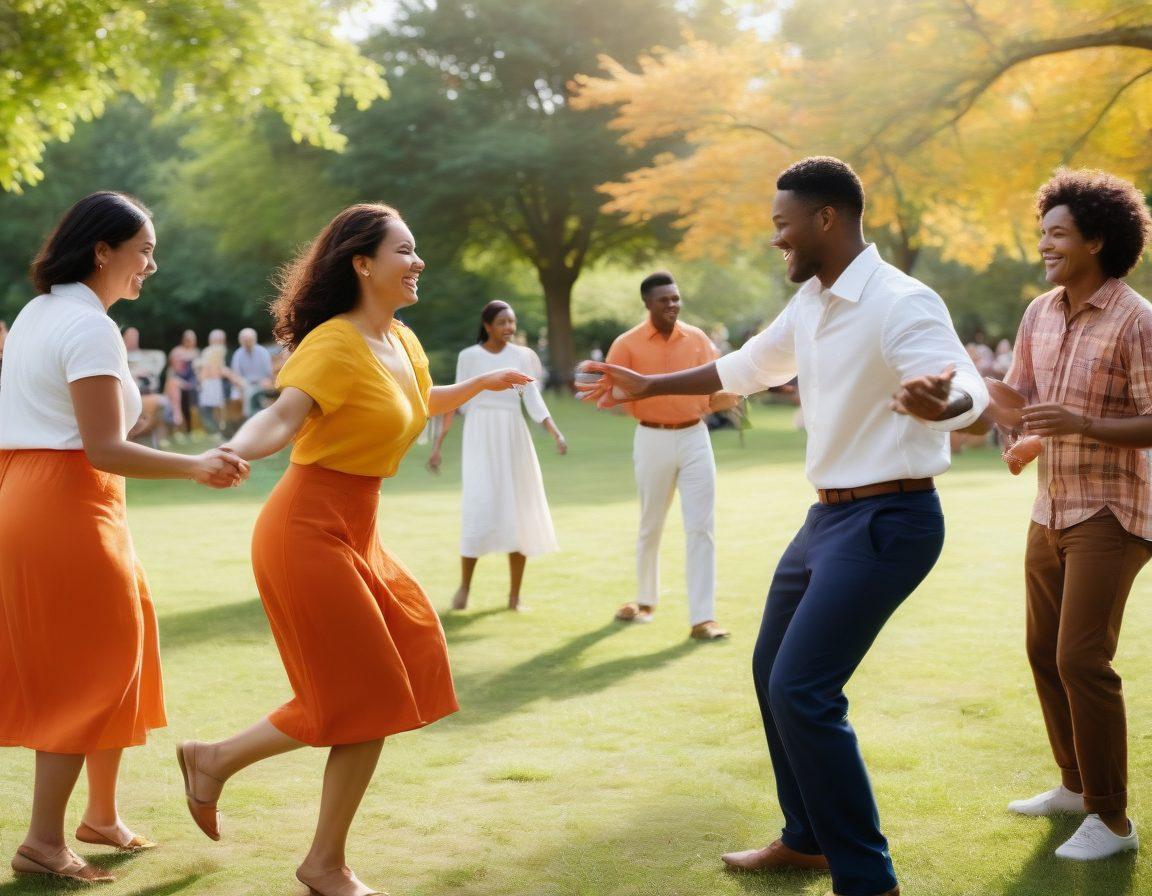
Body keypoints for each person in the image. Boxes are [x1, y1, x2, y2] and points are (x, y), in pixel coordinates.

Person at [579, 157, 987, 896]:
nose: (777, 239)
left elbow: (967, 385)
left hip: (890, 517)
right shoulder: (813, 302)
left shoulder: (901, 299)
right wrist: (649, 382)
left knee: (804, 689)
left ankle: (868, 879)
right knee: (773, 672)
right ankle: (807, 839)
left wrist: (943, 404)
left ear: (825, 218)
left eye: (782, 224)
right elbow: (746, 367)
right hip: (826, 520)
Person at [174, 204, 532, 896]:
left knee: (407, 661)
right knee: (366, 694)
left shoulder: (403, 340)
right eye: (405, 250)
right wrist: (228, 452)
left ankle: (216, 761)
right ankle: (322, 862)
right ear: (362, 263)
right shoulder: (332, 344)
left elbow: (416, 400)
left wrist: (481, 384)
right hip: (305, 529)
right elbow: (281, 415)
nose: (418, 261)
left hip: (358, 528)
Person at [0, 192, 247, 884]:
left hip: (42, 497)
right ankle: (43, 843)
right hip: (67, 504)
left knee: (123, 648)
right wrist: (195, 464)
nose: (153, 264)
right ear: (102, 250)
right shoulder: (88, 327)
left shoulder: (38, 313)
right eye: (143, 250)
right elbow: (103, 446)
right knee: (87, 669)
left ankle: (101, 815)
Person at [980, 169, 1152, 860]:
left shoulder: (1137, 319)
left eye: (1058, 233)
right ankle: (1076, 786)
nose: (1044, 244)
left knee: (1081, 657)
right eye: (1042, 232)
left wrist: (1081, 422)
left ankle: (1113, 820)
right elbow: (1018, 395)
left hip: (1113, 509)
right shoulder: (1038, 312)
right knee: (1042, 652)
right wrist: (978, 407)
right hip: (1050, 507)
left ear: (1097, 240)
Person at [605, 270, 736, 641]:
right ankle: (645, 602)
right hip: (651, 439)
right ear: (648, 303)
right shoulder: (626, 344)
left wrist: (728, 398)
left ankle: (703, 619)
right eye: (665, 300)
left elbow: (717, 387)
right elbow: (611, 394)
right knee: (651, 524)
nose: (673, 305)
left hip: (696, 437)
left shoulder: (698, 339)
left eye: (676, 298)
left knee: (701, 528)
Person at [428, 300, 565, 612]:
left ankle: (515, 596)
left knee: (518, 509)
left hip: (513, 435)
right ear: (487, 325)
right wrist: (438, 446)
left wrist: (554, 431)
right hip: (479, 435)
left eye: (512, 322)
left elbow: (533, 399)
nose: (509, 328)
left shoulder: (523, 357)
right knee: (479, 506)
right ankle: (464, 588)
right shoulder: (469, 357)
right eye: (502, 322)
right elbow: (454, 401)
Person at [231, 326, 274, 418]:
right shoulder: (237, 354)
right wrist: (241, 384)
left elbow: (269, 373)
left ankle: (255, 417)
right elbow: (236, 375)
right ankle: (250, 417)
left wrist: (267, 381)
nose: (247, 342)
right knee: (247, 392)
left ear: (254, 339)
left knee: (255, 393)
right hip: (245, 384)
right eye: (245, 340)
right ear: (240, 341)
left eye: (249, 339)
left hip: (262, 383)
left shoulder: (262, 352)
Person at [196, 328, 229, 439]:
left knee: (215, 408)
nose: (221, 342)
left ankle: (217, 432)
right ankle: (216, 432)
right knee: (212, 409)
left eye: (221, 340)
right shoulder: (213, 351)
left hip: (214, 382)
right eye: (219, 340)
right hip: (209, 383)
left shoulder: (216, 350)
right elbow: (205, 369)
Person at [166, 329, 199, 436]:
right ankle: (178, 421)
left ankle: (181, 422)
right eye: (187, 339)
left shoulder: (196, 353)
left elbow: (198, 373)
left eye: (191, 339)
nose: (189, 341)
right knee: (174, 386)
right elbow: (172, 370)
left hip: (192, 382)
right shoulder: (177, 351)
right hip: (179, 381)